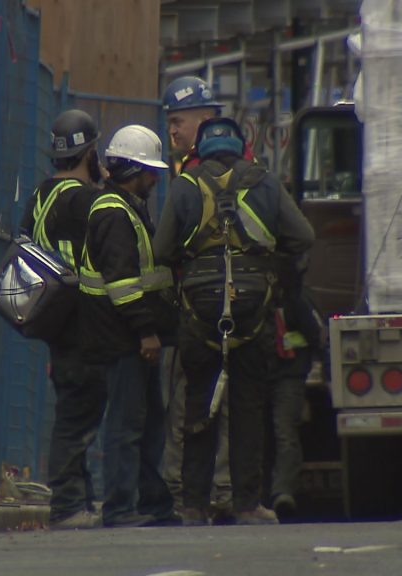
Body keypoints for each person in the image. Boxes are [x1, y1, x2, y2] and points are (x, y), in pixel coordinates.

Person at [153, 117, 314, 526]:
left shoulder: (186, 186)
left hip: (198, 315)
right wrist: (270, 261)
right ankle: (246, 504)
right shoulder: (265, 182)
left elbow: (161, 248)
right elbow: (304, 237)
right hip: (251, 314)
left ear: (201, 149)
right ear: (242, 146)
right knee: (247, 408)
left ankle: (193, 506)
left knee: (198, 409)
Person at [79, 125, 178, 528]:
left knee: (149, 422)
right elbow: (122, 284)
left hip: (131, 338)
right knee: (127, 425)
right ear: (133, 170)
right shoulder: (113, 213)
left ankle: (153, 502)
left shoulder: (127, 208)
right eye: (150, 171)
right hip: (125, 340)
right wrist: (146, 332)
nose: (154, 179)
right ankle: (120, 507)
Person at [19, 109, 107, 530]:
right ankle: (69, 504)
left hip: (56, 322)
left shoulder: (40, 196)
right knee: (77, 417)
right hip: (83, 323)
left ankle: (80, 499)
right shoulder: (85, 199)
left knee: (75, 411)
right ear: (89, 153)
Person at [159, 74, 234, 521]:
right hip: (232, 304)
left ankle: (184, 492)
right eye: (170, 122)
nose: (173, 130)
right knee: (222, 401)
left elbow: (165, 248)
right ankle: (220, 491)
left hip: (198, 307)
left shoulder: (194, 177)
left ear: (206, 120)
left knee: (191, 401)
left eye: (179, 121)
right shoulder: (241, 166)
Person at [262, 258, 324, 519]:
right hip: (261, 375)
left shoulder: (299, 300)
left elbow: (315, 335)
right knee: (262, 436)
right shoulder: (255, 301)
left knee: (283, 432)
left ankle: (281, 492)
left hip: (288, 375)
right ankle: (262, 494)